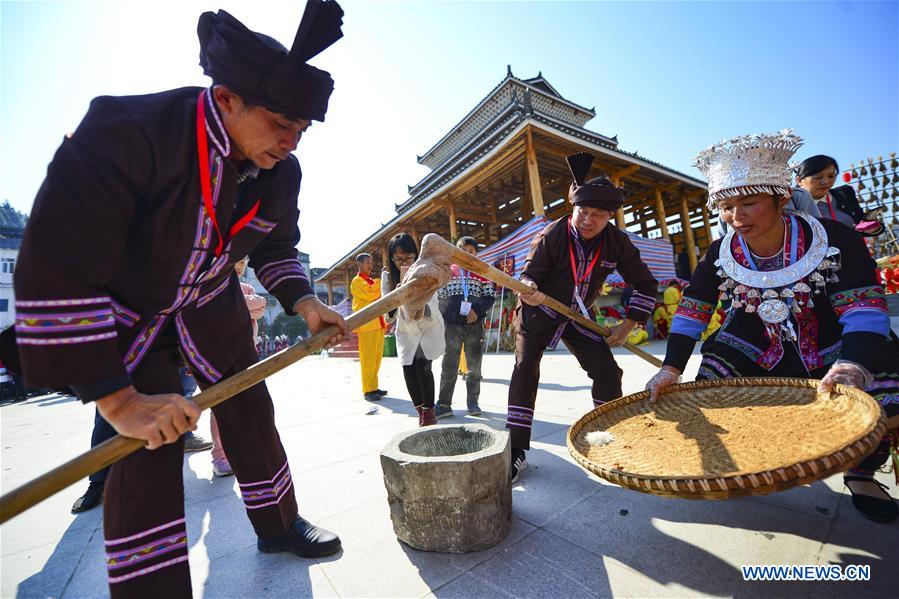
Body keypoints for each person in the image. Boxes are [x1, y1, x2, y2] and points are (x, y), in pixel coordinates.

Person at [2, 3, 351, 595]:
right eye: (280, 125)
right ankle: (152, 586)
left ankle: (279, 523)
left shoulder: (279, 171)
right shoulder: (128, 131)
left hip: (210, 302)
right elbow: (56, 262)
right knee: (146, 445)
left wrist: (304, 302)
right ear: (226, 100)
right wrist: (119, 400)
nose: (291, 144)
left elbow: (276, 245)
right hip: (131, 313)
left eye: (302, 132)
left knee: (250, 409)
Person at [647, 130, 898, 522]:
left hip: (834, 343)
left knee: (884, 395)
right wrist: (670, 368)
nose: (736, 217)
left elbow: (864, 311)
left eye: (748, 203)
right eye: (726, 208)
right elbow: (693, 311)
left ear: (782, 199)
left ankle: (861, 471)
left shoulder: (836, 239)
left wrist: (853, 364)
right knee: (713, 391)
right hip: (752, 346)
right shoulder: (720, 252)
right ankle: (747, 460)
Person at [508, 152, 659, 482]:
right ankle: (515, 450)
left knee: (608, 371)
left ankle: (603, 435)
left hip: (578, 314)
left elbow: (646, 283)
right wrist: (528, 287)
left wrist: (628, 323)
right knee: (525, 369)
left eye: (598, 215)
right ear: (573, 208)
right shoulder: (552, 235)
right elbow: (529, 274)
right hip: (539, 309)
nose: (588, 221)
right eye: (583, 212)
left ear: (610, 217)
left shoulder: (617, 242)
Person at [208, 257, 267, 478]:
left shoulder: (247, 287)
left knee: (249, 404)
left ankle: (243, 451)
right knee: (221, 408)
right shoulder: (212, 286)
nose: (240, 267)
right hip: (219, 356)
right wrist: (242, 305)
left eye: (243, 262)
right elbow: (222, 311)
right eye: (236, 261)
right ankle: (220, 456)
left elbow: (259, 307)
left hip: (247, 354)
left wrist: (236, 305)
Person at [381, 233, 445, 426]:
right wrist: (398, 295)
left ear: (416, 254)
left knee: (424, 368)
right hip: (406, 330)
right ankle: (420, 411)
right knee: (409, 370)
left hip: (427, 325)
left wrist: (417, 302)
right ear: (391, 259)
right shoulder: (387, 277)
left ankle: (429, 415)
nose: (404, 263)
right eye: (398, 259)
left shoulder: (425, 271)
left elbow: (434, 300)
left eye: (408, 257)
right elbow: (387, 312)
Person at [436, 236, 495, 417]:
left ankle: (473, 403)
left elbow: (490, 296)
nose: (468, 254)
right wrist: (450, 316)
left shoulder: (482, 271)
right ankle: (444, 404)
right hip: (452, 327)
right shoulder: (449, 271)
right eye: (464, 251)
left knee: (474, 367)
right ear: (457, 252)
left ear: (476, 253)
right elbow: (441, 297)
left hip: (474, 326)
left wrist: (477, 310)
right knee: (449, 365)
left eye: (472, 251)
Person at [795, 154, 882, 236]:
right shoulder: (790, 203)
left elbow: (861, 223)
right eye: (818, 177)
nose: (826, 181)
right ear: (799, 180)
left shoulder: (844, 194)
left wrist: (871, 227)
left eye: (831, 176)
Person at [351, 253, 388, 402]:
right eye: (368, 263)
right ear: (359, 264)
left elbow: (378, 291)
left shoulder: (372, 281)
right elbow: (371, 294)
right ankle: (368, 390)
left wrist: (380, 281)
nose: (370, 265)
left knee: (377, 358)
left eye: (371, 263)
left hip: (377, 323)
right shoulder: (356, 282)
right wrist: (382, 279)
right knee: (368, 359)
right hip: (367, 325)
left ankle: (374, 386)